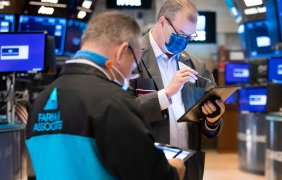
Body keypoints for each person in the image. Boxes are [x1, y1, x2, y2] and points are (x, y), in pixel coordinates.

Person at [26, 12, 185, 180]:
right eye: (132, 67)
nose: (130, 76)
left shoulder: (40, 103)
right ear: (122, 51)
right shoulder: (114, 102)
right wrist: (174, 171)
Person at [131, 0, 225, 179]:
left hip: (188, 168)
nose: (183, 42)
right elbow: (123, 112)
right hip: (148, 167)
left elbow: (208, 128)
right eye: (180, 34)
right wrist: (166, 94)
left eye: (189, 37)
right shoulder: (132, 58)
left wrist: (213, 119)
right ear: (162, 22)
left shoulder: (196, 66)